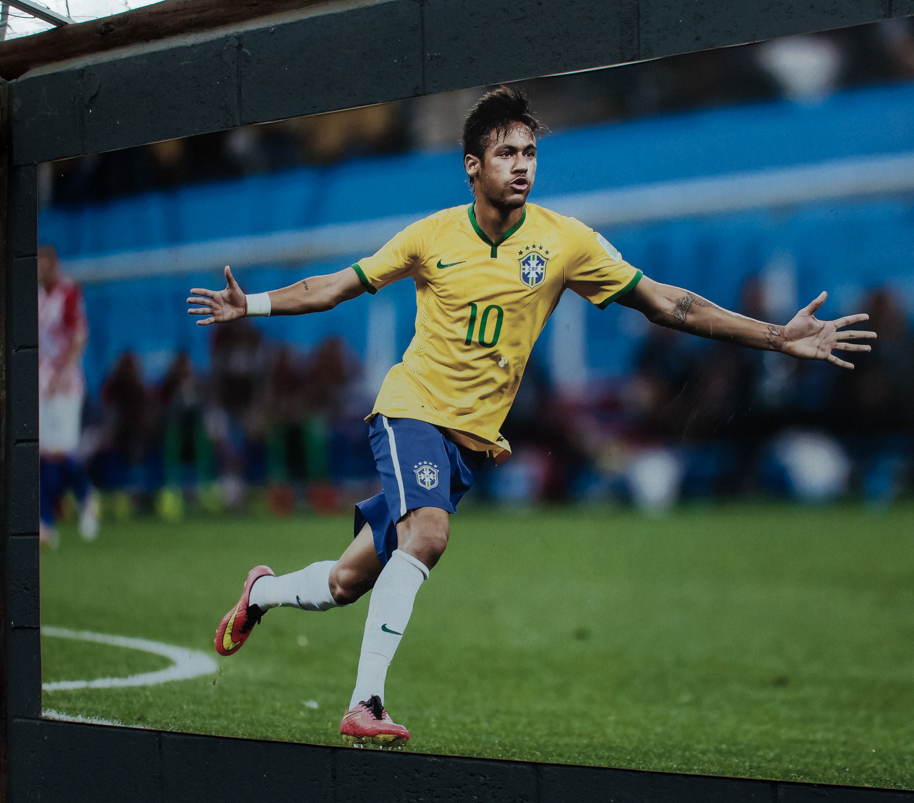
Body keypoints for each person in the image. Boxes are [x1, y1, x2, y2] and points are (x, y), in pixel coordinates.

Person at [186, 87, 876, 748]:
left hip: (467, 447)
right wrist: (254, 305)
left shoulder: (565, 242)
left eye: (529, 153)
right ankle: (365, 703)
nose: (522, 165)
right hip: (408, 414)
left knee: (346, 582)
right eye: (506, 153)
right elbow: (333, 286)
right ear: (472, 166)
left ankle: (262, 591)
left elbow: (671, 303)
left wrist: (778, 337)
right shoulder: (430, 237)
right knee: (428, 534)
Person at [38, 244, 99, 547]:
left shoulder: (68, 292)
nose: (40, 269)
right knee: (46, 452)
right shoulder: (34, 297)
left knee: (57, 453)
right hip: (41, 382)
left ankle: (52, 519)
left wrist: (62, 374)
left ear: (55, 264)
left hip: (65, 384)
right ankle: (80, 500)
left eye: (44, 263)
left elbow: (79, 336)